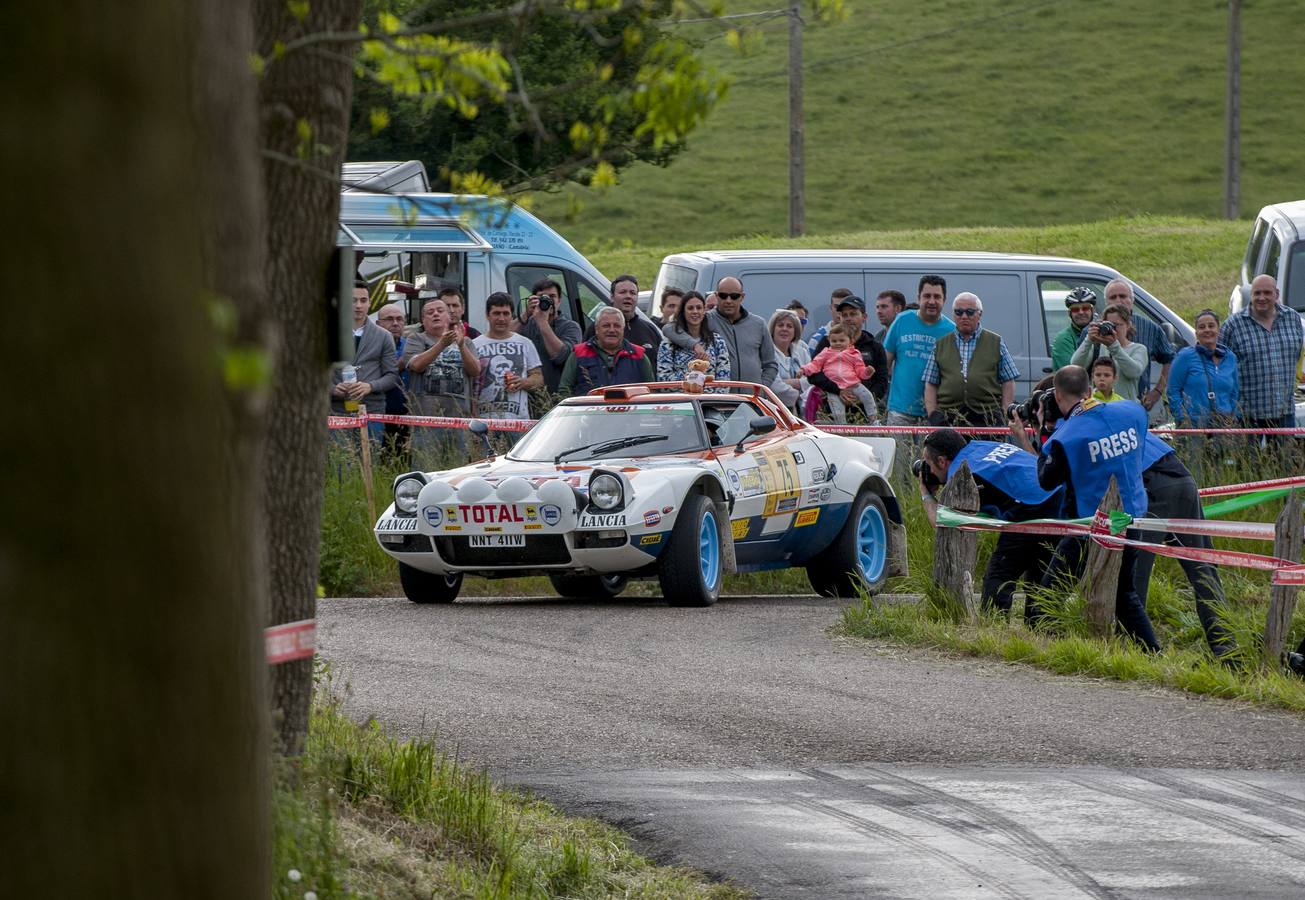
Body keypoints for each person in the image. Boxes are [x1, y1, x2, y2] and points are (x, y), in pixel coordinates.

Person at [1028, 365, 1160, 651]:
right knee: (1123, 593)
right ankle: (1153, 653)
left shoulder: (1066, 437)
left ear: (1058, 396)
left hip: (1093, 524)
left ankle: (1047, 650)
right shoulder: (1134, 412)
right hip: (1133, 515)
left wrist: (1043, 431)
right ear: (1089, 390)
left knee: (1050, 593)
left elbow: (1046, 480)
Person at [918, 428, 1063, 618]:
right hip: (1057, 494)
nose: (927, 471)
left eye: (928, 464)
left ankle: (994, 622)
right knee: (1038, 571)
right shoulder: (980, 447)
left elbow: (942, 522)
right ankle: (1040, 625)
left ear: (941, 461)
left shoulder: (961, 474)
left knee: (999, 574)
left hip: (1032, 505)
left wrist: (926, 493)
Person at [1130, 430, 1237, 660]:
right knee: (1204, 572)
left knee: (1134, 575)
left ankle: (1135, 649)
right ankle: (1228, 649)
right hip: (1182, 478)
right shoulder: (1121, 418)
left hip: (1151, 488)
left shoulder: (1070, 431)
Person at [1218, 274, 1304, 431]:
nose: (1261, 297)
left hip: (1285, 412)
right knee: (1249, 450)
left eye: (1267, 293)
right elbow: (1219, 368)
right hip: (1247, 416)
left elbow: (1297, 356)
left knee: (1285, 449)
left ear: (1276, 294)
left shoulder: (1293, 318)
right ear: (1251, 295)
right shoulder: (1232, 325)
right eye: (1257, 293)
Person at [402, 296, 481, 464]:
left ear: (448, 316)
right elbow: (416, 365)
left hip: (459, 420)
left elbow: (475, 370)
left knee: (457, 469)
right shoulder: (416, 339)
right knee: (426, 468)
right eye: (430, 312)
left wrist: (461, 346)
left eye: (440, 311)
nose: (435, 314)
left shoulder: (466, 341)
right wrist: (441, 344)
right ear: (423, 320)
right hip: (426, 421)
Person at [922, 292, 1020, 428]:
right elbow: (930, 383)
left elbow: (1008, 380)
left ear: (980, 314)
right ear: (953, 315)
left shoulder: (996, 342)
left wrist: (1005, 413)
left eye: (969, 312)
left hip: (987, 418)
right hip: (948, 418)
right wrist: (933, 415)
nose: (964, 316)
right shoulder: (940, 345)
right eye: (958, 312)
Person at [665, 276, 778, 387]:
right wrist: (694, 345)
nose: (728, 300)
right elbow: (669, 328)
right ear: (716, 296)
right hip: (720, 395)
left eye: (734, 296)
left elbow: (771, 365)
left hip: (751, 397)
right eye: (723, 296)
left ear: (742, 297)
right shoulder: (706, 319)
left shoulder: (758, 324)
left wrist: (761, 388)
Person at [330, 281, 400, 444]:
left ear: (370, 303)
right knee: (339, 459)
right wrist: (332, 389)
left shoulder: (384, 336)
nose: (358, 305)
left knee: (371, 458)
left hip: (372, 411)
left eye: (363, 300)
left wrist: (370, 386)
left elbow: (392, 376)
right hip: (337, 411)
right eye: (353, 300)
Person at [882, 275, 956, 426]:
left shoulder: (951, 330)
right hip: (899, 411)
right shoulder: (902, 320)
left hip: (933, 413)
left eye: (937, 297)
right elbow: (885, 363)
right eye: (927, 296)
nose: (931, 301)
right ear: (918, 297)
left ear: (944, 299)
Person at [1101, 279, 1173, 420]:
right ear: (1106, 302)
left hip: (1137, 407)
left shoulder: (1150, 328)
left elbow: (1169, 359)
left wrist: (1157, 392)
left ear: (1132, 300)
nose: (1118, 300)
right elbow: (1079, 367)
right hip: (1100, 407)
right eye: (1113, 297)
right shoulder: (1093, 331)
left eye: (1123, 296)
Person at [808, 296, 889, 418]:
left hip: (865, 416)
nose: (848, 318)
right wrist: (838, 391)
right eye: (844, 315)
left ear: (864, 317)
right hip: (831, 414)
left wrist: (861, 399)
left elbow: (882, 381)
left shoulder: (875, 347)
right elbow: (813, 374)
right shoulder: (827, 342)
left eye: (853, 314)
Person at [473, 292, 543, 430]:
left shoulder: (525, 343)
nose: (501, 318)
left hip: (518, 423)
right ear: (487, 315)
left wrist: (523, 382)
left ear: (512, 316)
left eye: (506, 313)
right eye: (496, 313)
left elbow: (539, 378)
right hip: (483, 423)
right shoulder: (475, 345)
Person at [558, 306, 653, 396]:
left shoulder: (639, 356)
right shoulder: (578, 354)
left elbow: (651, 391)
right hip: (589, 408)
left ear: (623, 329)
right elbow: (564, 391)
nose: (612, 330)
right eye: (606, 326)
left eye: (617, 326)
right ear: (596, 329)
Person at [1168, 309, 1239, 427]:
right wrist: (1182, 418)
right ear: (1196, 333)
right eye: (1202, 327)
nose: (1207, 330)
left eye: (1211, 326)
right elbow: (1173, 390)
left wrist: (1233, 416)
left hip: (1224, 424)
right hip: (1193, 425)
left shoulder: (1230, 358)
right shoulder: (1185, 356)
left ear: (1218, 330)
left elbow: (1235, 393)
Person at [512, 277, 583, 393]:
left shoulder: (571, 327)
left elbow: (561, 357)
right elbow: (504, 337)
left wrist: (542, 322)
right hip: (529, 395)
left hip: (558, 396)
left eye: (552, 296)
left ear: (559, 300)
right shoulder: (527, 323)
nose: (548, 301)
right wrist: (526, 314)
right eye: (542, 297)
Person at [801, 324, 878, 423]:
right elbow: (815, 364)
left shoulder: (854, 354)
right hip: (834, 387)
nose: (838, 343)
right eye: (834, 341)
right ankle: (841, 426)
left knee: (868, 396)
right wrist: (804, 370)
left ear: (851, 341)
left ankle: (874, 421)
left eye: (842, 341)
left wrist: (867, 372)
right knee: (837, 411)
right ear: (829, 341)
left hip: (854, 384)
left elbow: (860, 370)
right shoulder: (825, 353)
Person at [1071, 304, 1148, 402]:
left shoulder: (1139, 349)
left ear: (1128, 325)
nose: (1112, 329)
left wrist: (1113, 346)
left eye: (1116, 325)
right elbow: (1076, 366)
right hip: (1100, 405)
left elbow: (1133, 372)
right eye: (1109, 325)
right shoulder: (1098, 346)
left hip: (1125, 406)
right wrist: (1088, 340)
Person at [657, 290, 729, 384]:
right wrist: (694, 369)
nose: (695, 311)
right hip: (680, 393)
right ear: (683, 312)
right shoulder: (668, 344)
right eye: (690, 308)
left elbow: (724, 381)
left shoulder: (717, 341)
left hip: (711, 394)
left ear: (704, 311)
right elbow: (663, 382)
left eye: (699, 308)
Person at [584, 274, 662, 354]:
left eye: (632, 293)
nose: (628, 296)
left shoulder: (650, 330)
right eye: (622, 292)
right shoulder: (597, 329)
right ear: (612, 297)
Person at [377, 302, 411, 455]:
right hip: (380, 411)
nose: (395, 323)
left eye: (399, 319)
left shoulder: (410, 346)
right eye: (389, 319)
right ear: (378, 324)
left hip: (408, 413)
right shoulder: (372, 347)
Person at [768, 308, 811, 414]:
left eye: (789, 326)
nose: (784, 329)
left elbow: (812, 380)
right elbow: (773, 386)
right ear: (773, 329)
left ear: (795, 331)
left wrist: (786, 382)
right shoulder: (766, 352)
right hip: (775, 412)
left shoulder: (802, 351)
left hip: (804, 412)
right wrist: (800, 391)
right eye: (780, 325)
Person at [1051, 286, 1098, 371]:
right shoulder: (1063, 338)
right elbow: (1072, 373)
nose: (1081, 312)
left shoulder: (1101, 333)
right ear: (1069, 313)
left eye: (1085, 308)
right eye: (1075, 309)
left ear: (1093, 310)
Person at [806, 287, 855, 352]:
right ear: (831, 308)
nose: (840, 311)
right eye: (837, 307)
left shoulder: (861, 336)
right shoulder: (818, 339)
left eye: (844, 307)